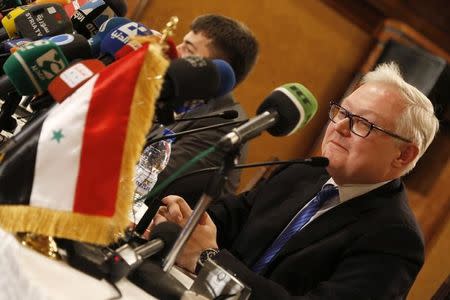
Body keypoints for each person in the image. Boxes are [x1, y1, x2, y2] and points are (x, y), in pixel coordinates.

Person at [150, 62, 440, 299]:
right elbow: (230, 216)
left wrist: (207, 261)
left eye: (363, 123)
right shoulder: (305, 172)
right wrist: (184, 220)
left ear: (403, 155)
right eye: (342, 112)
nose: (338, 127)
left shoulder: (395, 239)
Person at [146, 14, 259, 204]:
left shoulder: (225, 124)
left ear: (218, 71)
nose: (175, 51)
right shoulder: (179, 98)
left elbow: (153, 181)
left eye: (188, 49)